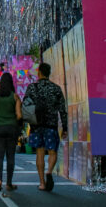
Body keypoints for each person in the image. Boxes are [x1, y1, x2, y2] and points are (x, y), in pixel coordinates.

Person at [24, 62, 68, 192]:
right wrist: (65, 127)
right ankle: (49, 171)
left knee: (40, 152)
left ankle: (42, 183)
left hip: (36, 125)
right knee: (53, 151)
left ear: (39, 72)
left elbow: (25, 105)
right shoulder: (56, 88)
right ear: (49, 73)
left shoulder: (32, 88)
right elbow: (62, 110)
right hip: (51, 124)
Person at [0, 72, 22, 196]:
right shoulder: (15, 97)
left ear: (0, 83)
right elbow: (19, 115)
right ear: (11, 83)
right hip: (11, 128)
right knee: (10, 157)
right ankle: (9, 183)